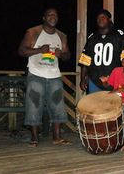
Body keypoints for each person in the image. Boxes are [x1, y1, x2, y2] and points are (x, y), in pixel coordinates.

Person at [18, 8, 71, 147]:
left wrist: (62, 55)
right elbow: (21, 51)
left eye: (55, 14)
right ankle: (34, 138)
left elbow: (67, 56)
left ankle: (57, 137)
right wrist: (39, 50)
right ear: (44, 17)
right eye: (49, 14)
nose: (52, 17)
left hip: (54, 75)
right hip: (36, 74)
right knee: (34, 105)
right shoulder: (33, 32)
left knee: (58, 105)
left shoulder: (62, 36)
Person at [78, 9, 124, 94]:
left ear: (109, 20)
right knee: (94, 106)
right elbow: (85, 62)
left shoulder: (118, 36)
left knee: (113, 106)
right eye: (98, 18)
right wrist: (82, 79)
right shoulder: (92, 38)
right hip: (94, 80)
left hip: (114, 80)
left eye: (103, 17)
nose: (100, 19)